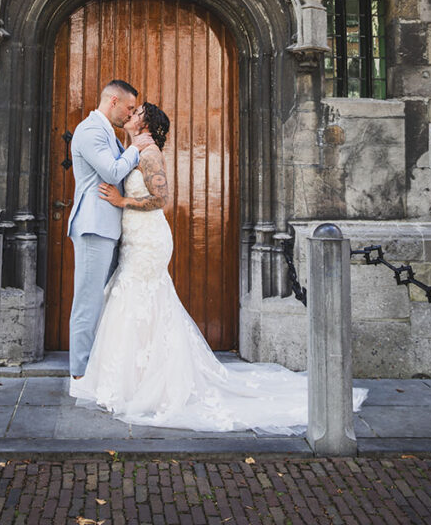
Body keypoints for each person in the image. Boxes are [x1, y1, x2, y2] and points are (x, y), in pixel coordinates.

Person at [71, 101, 368, 434]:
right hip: (134, 237)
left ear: (148, 126)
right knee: (135, 299)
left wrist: (121, 201)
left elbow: (161, 198)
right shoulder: (132, 149)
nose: (130, 116)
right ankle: (134, 378)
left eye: (137, 113)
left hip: (149, 239)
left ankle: (146, 383)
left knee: (139, 296)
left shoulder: (150, 153)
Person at [67, 80, 154, 387]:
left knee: (103, 299)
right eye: (129, 108)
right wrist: (138, 146)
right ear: (113, 100)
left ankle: (97, 367)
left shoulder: (108, 134)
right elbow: (113, 172)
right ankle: (79, 373)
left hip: (108, 228)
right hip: (94, 226)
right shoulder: (90, 131)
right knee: (88, 300)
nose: (129, 115)